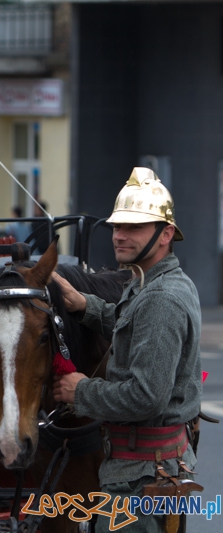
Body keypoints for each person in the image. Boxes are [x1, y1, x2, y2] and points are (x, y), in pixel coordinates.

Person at [52, 168, 201, 533]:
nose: (119, 235)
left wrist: (80, 390)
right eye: (118, 226)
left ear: (166, 234)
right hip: (150, 467)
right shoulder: (154, 283)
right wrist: (83, 305)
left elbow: (145, 397)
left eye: (134, 227)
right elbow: (131, 329)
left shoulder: (161, 298)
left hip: (141, 479)